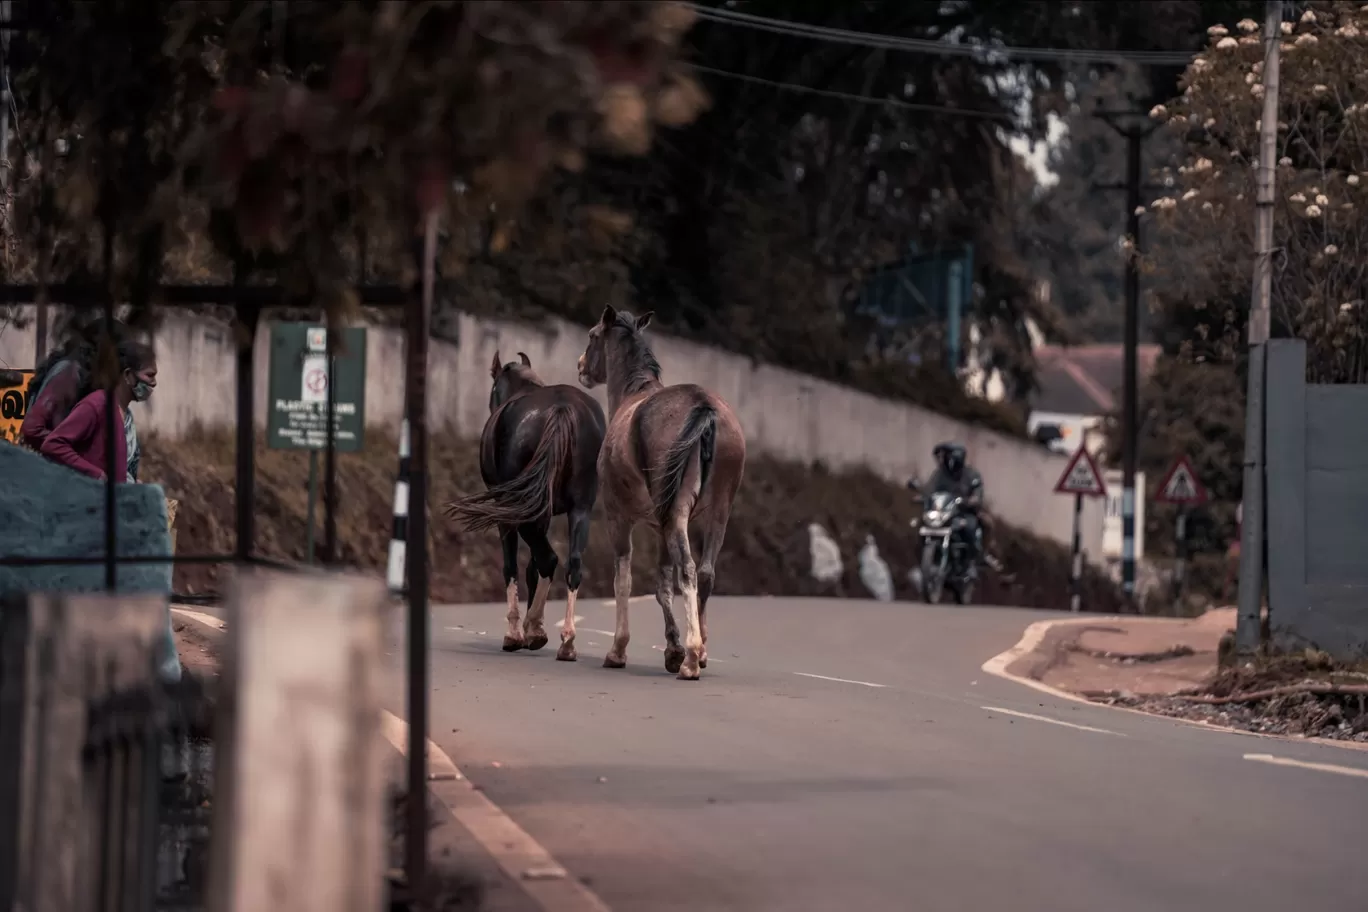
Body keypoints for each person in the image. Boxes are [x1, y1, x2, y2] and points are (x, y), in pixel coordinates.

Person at [40, 340, 156, 483]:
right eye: (150, 375)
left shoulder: (127, 419)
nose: (154, 382)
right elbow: (53, 444)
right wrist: (95, 474)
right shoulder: (97, 405)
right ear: (128, 375)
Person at [914, 441, 1001, 573]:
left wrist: (973, 500)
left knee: (971, 529)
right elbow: (930, 489)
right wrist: (922, 496)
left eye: (945, 456)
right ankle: (924, 560)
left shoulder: (971, 475)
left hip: (964, 513)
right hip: (943, 512)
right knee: (921, 524)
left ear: (955, 457)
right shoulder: (940, 474)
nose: (941, 460)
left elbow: (978, 492)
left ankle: (974, 559)